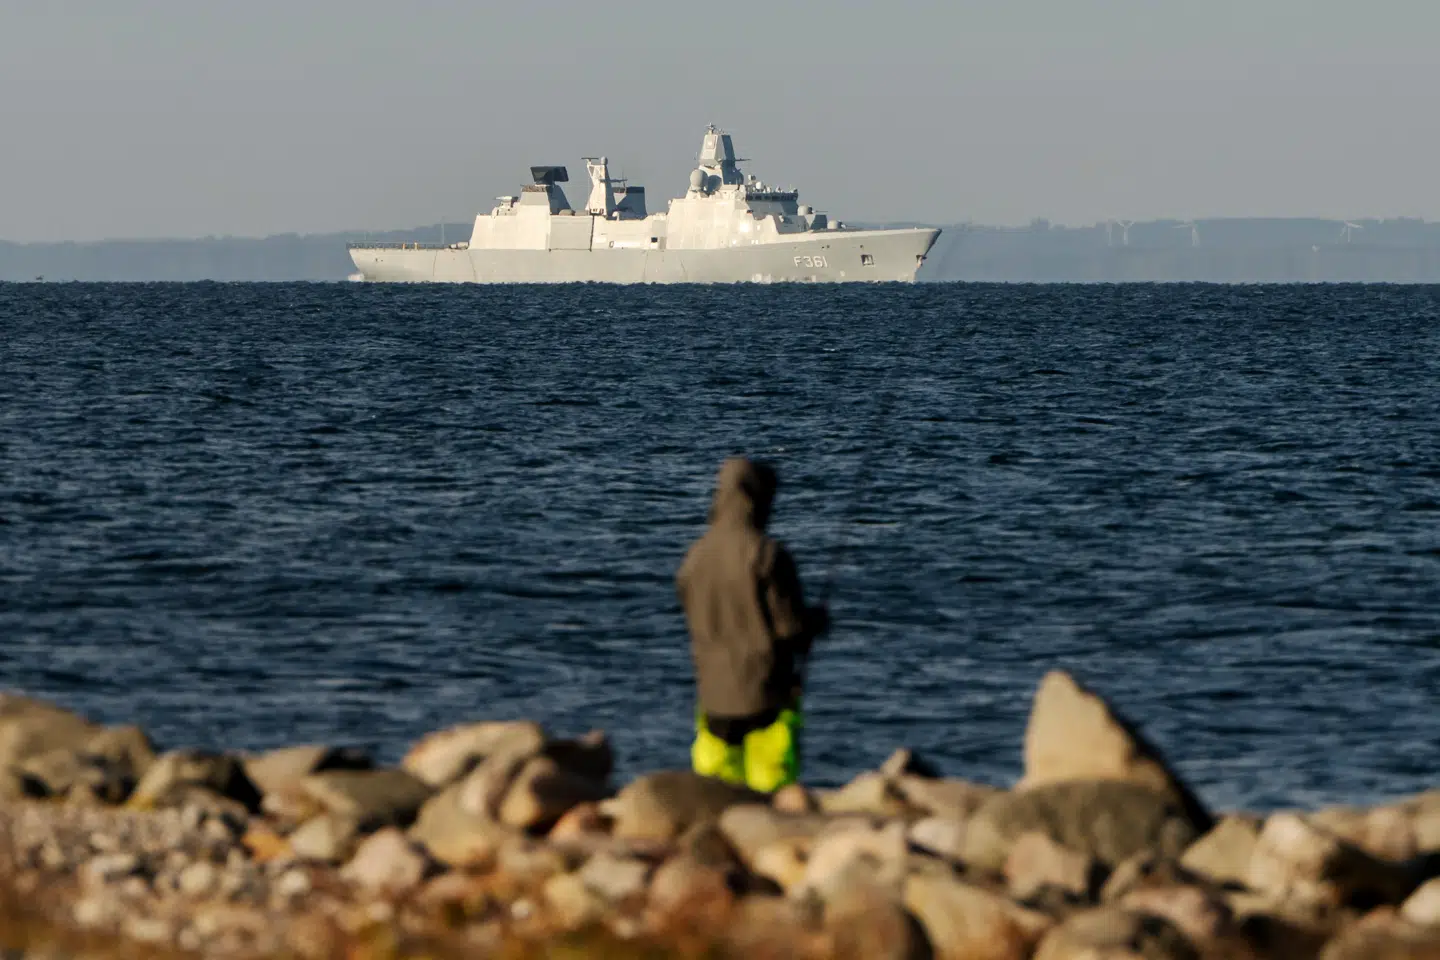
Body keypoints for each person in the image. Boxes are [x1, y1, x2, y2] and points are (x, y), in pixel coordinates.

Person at [676, 457, 830, 792]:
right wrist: (816, 621)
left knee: (715, 793)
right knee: (770, 796)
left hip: (713, 697)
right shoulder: (768, 555)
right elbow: (790, 629)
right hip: (766, 695)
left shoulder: (695, 557)